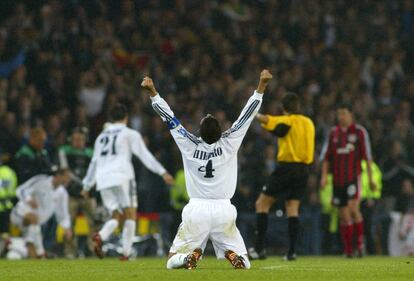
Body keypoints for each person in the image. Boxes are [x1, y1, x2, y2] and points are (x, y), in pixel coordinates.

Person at [141, 69, 272, 270]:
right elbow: (248, 114)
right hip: (225, 210)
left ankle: (187, 258)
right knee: (245, 264)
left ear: (199, 131)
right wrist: (261, 86)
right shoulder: (230, 141)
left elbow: (169, 118)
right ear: (221, 131)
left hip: (197, 210)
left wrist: (153, 92)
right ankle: (230, 253)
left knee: (171, 260)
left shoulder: (189, 143)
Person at [81, 104, 174, 260]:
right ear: (126, 117)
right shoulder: (129, 133)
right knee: (130, 214)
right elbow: (144, 155)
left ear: (111, 118)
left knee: (115, 216)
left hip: (103, 179)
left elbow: (94, 162)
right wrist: (162, 171)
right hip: (122, 176)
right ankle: (125, 253)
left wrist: (86, 185)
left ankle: (101, 236)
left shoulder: (101, 137)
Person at [249, 92, 315, 261]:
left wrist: (252, 113)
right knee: (292, 208)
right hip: (304, 170)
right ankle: (292, 252)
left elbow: (269, 120)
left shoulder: (288, 120)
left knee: (262, 204)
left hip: (287, 168)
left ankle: (258, 249)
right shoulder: (308, 123)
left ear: (284, 108)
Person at [320, 103, 376, 257]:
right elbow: (326, 158)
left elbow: (368, 157)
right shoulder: (333, 133)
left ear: (351, 115)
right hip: (338, 181)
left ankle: (359, 245)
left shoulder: (359, 132)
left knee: (352, 209)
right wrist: (324, 177)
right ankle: (349, 250)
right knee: (343, 215)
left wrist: (371, 179)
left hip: (353, 178)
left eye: (344, 113)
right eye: (339, 113)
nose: (341, 117)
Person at [9, 169, 72, 258]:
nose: (68, 180)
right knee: (33, 219)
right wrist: (28, 199)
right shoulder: (41, 180)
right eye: (67, 177)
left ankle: (35, 253)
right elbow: (21, 189)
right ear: (58, 175)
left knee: (33, 233)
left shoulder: (62, 193)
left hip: (36, 223)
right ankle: (39, 251)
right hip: (19, 214)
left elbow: (62, 212)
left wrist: (66, 227)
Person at [58, 127, 95, 258]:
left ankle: (93, 249)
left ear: (85, 140)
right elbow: (65, 171)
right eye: (75, 139)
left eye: (80, 139)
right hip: (70, 194)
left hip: (88, 194)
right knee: (68, 223)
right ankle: (69, 252)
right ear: (70, 140)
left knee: (94, 223)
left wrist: (88, 187)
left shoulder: (91, 153)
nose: (78, 142)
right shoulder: (65, 151)